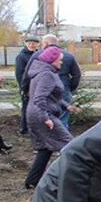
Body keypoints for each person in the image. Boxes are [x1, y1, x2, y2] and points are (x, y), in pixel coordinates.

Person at [24, 46, 80, 189]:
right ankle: (68, 180)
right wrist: (45, 118)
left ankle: (32, 181)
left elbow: (50, 96)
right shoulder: (47, 75)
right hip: (42, 115)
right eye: (59, 60)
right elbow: (39, 98)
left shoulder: (42, 72)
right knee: (70, 146)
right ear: (52, 60)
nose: (61, 63)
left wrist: (66, 106)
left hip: (35, 114)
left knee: (45, 149)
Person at [15, 34, 40, 135]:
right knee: (26, 107)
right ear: (25, 44)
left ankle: (33, 127)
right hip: (27, 87)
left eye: (33, 43)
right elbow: (19, 74)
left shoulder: (38, 54)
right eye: (29, 43)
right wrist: (24, 88)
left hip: (37, 85)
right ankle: (24, 128)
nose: (31, 45)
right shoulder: (21, 56)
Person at [57, 45, 82, 128]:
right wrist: (70, 88)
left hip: (46, 92)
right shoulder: (68, 56)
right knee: (63, 117)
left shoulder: (39, 56)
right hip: (64, 89)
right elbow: (76, 74)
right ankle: (63, 137)